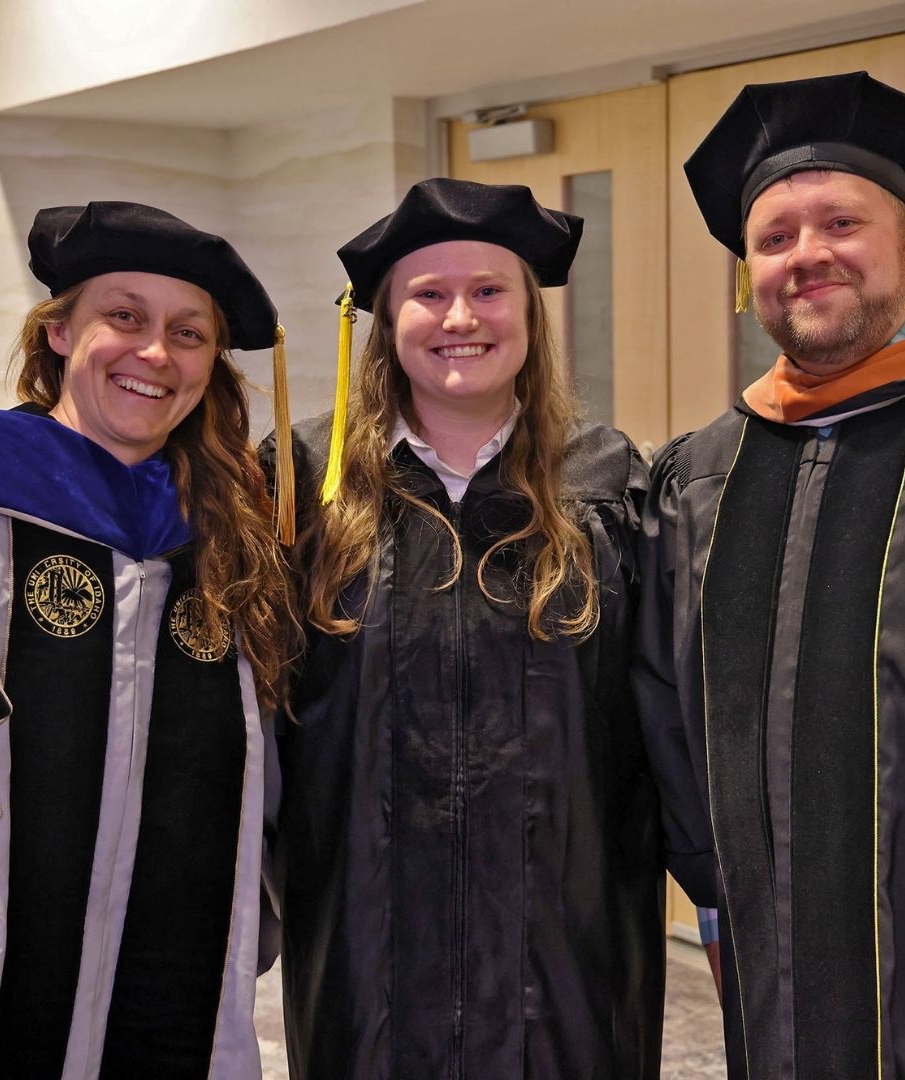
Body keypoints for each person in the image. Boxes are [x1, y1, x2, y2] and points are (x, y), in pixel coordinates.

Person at [258, 177, 716, 1079]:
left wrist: (721, 894)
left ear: (529, 316)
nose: (459, 316)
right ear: (384, 319)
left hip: (569, 950)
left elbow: (667, 705)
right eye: (427, 294)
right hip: (363, 943)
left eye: (489, 290)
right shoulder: (304, 482)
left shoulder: (612, 480)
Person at [642, 71, 905, 1079]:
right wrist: (715, 899)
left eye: (841, 223)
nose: (809, 257)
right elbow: (668, 717)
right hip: (770, 984)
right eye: (775, 238)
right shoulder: (701, 474)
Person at [0, 201, 298, 1078]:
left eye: (189, 332)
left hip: (179, 980)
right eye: (122, 317)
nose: (155, 354)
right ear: (58, 333)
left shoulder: (229, 529)